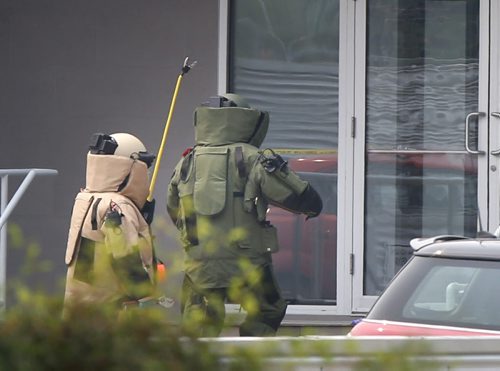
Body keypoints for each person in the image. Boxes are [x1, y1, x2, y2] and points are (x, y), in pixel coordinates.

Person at [166, 94, 323, 336]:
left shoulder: (187, 161)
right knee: (268, 309)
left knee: (198, 323)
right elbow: (298, 197)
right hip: (249, 263)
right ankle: (250, 357)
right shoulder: (253, 159)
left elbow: (173, 209)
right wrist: (312, 205)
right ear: (245, 120)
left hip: (199, 264)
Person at [64, 132, 159, 311]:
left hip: (81, 308)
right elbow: (126, 261)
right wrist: (147, 293)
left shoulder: (85, 198)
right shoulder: (118, 206)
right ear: (132, 167)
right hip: (111, 314)